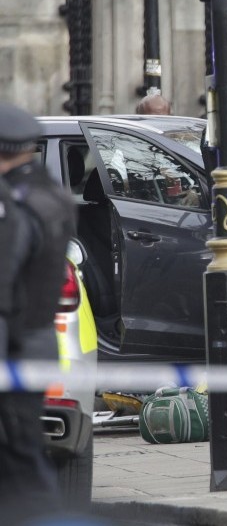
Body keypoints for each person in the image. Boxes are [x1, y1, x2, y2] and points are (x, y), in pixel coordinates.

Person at [0, 102, 76, 524]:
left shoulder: (13, 204)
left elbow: (3, 287)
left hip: (12, 350)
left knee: (21, 459)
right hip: (37, 345)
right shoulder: (53, 194)